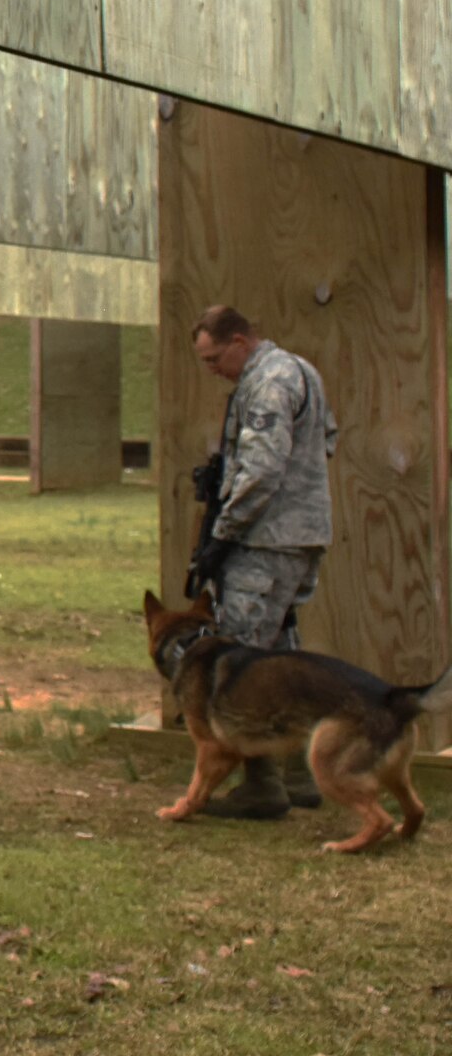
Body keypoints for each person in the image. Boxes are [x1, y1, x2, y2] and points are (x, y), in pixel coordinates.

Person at [188, 305, 339, 818]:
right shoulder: (301, 371)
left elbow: (262, 469)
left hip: (265, 540)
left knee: (241, 663)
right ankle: (298, 776)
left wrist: (222, 536)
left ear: (239, 341)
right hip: (294, 536)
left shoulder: (270, 380)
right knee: (280, 656)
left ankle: (262, 785)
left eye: (214, 359)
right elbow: (328, 441)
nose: (212, 370)